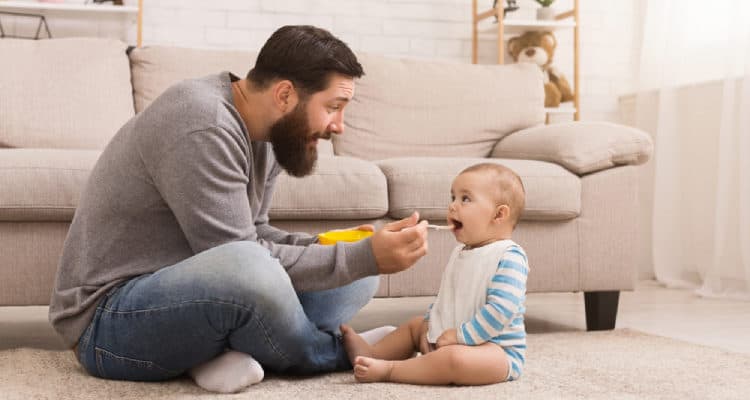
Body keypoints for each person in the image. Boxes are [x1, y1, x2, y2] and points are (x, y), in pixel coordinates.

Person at [48, 25, 428, 393]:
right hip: (108, 322)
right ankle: (342, 353)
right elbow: (241, 261)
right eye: (333, 107)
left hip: (195, 295)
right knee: (262, 267)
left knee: (358, 273)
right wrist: (360, 256)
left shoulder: (270, 132)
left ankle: (215, 355)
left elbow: (255, 232)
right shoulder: (203, 123)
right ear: (284, 95)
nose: (340, 126)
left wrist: (343, 249)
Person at [341, 162, 529, 385]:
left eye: (465, 199)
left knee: (454, 359)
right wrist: (432, 326)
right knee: (415, 325)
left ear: (499, 215)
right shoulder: (461, 252)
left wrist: (459, 337)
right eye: (453, 198)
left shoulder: (509, 257)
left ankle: (391, 370)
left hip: (496, 351)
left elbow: (500, 312)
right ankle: (372, 352)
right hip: (450, 337)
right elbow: (447, 299)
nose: (452, 207)